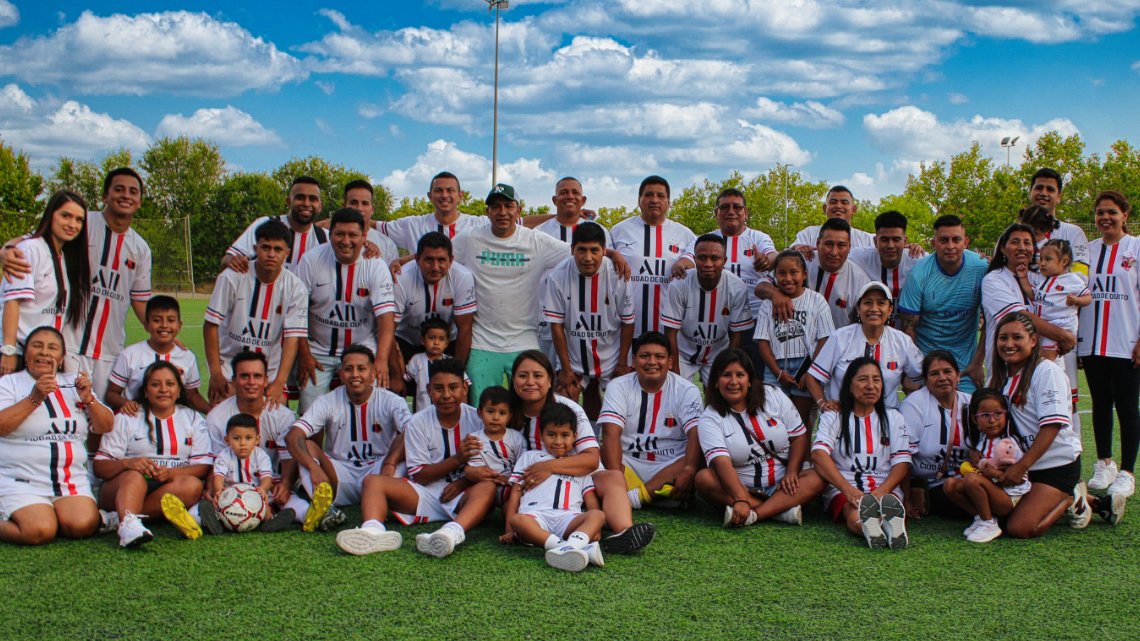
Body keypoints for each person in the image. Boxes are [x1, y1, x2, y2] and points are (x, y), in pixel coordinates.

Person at [453, 184, 615, 402]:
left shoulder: (535, 241)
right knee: (482, 411)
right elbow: (436, 253)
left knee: (532, 409)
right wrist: (401, 262)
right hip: (481, 342)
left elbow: (579, 250)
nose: (502, 212)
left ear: (518, 211)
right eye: (495, 207)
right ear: (487, 212)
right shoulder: (470, 238)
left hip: (524, 340)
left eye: (508, 206)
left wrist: (612, 254)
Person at [3, 168, 153, 402]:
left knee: (97, 416)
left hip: (109, 348)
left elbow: (140, 299)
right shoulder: (83, 222)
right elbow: (32, 238)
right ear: (105, 195)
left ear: (140, 201)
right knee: (54, 408)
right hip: (66, 344)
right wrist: (5, 250)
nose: (126, 195)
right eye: (119, 189)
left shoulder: (141, 248)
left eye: (133, 191)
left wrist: (161, 332)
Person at [335, 358, 497, 558]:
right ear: (428, 390)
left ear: (464, 388)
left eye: (453, 387)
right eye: (439, 388)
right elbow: (420, 476)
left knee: (488, 488)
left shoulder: (478, 419)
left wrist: (462, 483)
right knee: (373, 482)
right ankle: (373, 531)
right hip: (425, 493)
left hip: (464, 496)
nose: (446, 395)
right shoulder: (417, 422)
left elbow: (489, 470)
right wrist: (457, 459)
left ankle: (451, 533)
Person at [508, 350, 655, 553]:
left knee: (613, 477)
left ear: (550, 380)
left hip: (573, 476)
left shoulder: (569, 409)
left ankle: (624, 533)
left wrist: (549, 467)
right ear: (513, 380)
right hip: (527, 481)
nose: (530, 382)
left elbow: (591, 459)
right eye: (523, 376)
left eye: (538, 375)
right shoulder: (505, 409)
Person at [0, 326, 113, 545]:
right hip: (21, 479)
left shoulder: (73, 383)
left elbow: (106, 425)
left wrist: (89, 399)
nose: (44, 352)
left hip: (69, 480)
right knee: (39, 530)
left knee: (82, 524)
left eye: (52, 348)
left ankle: (52, 511)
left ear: (61, 358)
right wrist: (35, 397)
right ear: (26, 353)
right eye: (37, 346)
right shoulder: (9, 383)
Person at [987, 312, 1091, 537]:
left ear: (1033, 341)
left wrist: (1021, 467)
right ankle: (1096, 502)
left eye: (1017, 337)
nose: (1009, 344)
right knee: (995, 514)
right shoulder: (998, 376)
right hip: (1021, 466)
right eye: (1003, 338)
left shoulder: (1047, 372)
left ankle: (1070, 496)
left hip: (1054, 466)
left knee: (1019, 527)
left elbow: (1051, 427)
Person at [286, 345, 411, 532]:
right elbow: (293, 435)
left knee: (407, 441)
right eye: (348, 369)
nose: (355, 374)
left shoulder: (392, 401)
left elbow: (411, 433)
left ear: (373, 373)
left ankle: (387, 501)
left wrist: (390, 464)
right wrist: (313, 467)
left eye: (361, 369)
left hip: (379, 470)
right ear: (341, 373)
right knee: (309, 447)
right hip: (340, 472)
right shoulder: (327, 401)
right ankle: (326, 510)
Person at [695, 348, 826, 527]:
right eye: (726, 375)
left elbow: (799, 437)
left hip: (783, 485)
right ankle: (779, 510)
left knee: (819, 476)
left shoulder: (773, 395)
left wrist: (791, 472)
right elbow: (721, 462)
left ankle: (754, 514)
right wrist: (740, 497)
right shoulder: (709, 417)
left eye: (740, 375)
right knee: (704, 479)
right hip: (741, 487)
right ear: (716, 382)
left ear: (749, 380)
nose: (733, 382)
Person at [93, 361, 212, 548]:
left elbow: (204, 466)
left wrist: (170, 473)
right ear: (146, 391)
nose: (163, 389)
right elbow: (100, 467)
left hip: (167, 486)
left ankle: (121, 518)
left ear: (179, 391)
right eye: (155, 384)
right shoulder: (126, 417)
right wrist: (128, 464)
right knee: (134, 477)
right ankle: (128, 521)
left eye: (170, 384)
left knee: (193, 486)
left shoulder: (193, 418)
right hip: (122, 488)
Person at [294, 207, 396, 409]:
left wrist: (382, 359)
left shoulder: (376, 265)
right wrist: (304, 354)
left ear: (364, 236)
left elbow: (386, 318)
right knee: (310, 413)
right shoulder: (311, 260)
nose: (346, 241)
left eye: (353, 235)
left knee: (372, 409)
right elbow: (297, 312)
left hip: (362, 348)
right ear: (330, 234)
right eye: (339, 234)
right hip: (318, 350)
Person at [204, 219, 308, 405]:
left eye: (278, 249)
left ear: (287, 253)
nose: (271, 254)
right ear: (255, 248)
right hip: (229, 368)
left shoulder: (296, 288)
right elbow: (211, 325)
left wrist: (279, 382)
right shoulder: (231, 277)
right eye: (265, 247)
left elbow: (292, 338)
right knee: (221, 422)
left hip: (269, 372)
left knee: (276, 419)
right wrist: (216, 373)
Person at [811, 357, 912, 550]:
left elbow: (902, 464)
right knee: (853, 512)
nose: (871, 386)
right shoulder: (834, 416)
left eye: (876, 380)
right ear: (849, 385)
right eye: (863, 379)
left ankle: (883, 525)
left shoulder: (893, 417)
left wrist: (880, 492)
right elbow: (818, 455)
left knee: (888, 505)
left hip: (885, 487)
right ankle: (881, 527)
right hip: (845, 486)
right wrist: (848, 491)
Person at [671, 188, 776, 371]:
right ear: (716, 213)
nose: (731, 211)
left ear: (746, 212)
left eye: (737, 207)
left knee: (752, 376)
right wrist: (681, 265)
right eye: (724, 207)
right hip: (716, 321)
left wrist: (768, 261)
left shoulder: (758, 238)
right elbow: (688, 259)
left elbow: (774, 256)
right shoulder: (706, 239)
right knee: (716, 375)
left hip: (754, 321)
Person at [1078, 190, 1140, 498]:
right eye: (1100, 212)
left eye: (1112, 212)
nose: (1105, 217)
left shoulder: (1136, 247)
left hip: (1126, 343)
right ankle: (1104, 462)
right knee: (1101, 403)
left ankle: (1128, 472)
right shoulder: (1087, 251)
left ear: (1124, 215)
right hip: (1092, 343)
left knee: (1128, 408)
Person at [598, 332, 704, 510]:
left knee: (699, 457)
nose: (652, 362)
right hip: (628, 463)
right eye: (644, 356)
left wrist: (689, 470)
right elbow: (610, 434)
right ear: (633, 361)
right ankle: (653, 495)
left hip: (669, 465)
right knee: (592, 454)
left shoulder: (687, 390)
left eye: (659, 356)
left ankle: (633, 498)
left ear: (670, 362)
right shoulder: (618, 386)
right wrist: (616, 477)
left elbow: (695, 435)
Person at [542, 222, 634, 418]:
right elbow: (556, 325)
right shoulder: (558, 275)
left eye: (594, 250)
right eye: (581, 250)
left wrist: (622, 364)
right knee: (563, 406)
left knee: (620, 413)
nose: (588, 257)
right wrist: (566, 370)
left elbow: (628, 322)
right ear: (572, 250)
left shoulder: (617, 273)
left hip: (611, 357)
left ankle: (607, 444)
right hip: (575, 359)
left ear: (604, 251)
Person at [501, 403, 605, 572]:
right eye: (551, 435)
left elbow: (590, 499)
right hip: (535, 516)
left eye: (565, 435)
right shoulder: (530, 458)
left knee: (598, 515)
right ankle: (572, 547)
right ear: (541, 435)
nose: (558, 441)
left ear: (574, 436)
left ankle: (567, 547)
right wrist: (508, 529)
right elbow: (516, 492)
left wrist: (596, 528)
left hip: (568, 518)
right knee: (517, 520)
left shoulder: (579, 465)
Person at [204, 351, 304, 525]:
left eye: (257, 376)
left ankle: (315, 515)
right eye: (244, 376)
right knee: (210, 506)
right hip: (230, 489)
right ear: (233, 381)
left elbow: (289, 458)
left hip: (270, 486)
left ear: (266, 380)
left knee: (295, 503)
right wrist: (211, 487)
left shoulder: (282, 415)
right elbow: (216, 462)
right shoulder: (216, 417)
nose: (251, 382)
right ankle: (197, 520)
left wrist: (286, 484)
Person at [1, 191, 90, 377]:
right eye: (65, 216)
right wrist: (8, 350)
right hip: (15, 353)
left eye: (79, 220)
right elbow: (12, 302)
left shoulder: (64, 256)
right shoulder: (31, 249)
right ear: (51, 215)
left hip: (37, 356)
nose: (72, 224)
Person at [162, 413, 294, 538]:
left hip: (254, 496)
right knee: (202, 507)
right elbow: (218, 475)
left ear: (257, 439)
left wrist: (263, 489)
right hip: (228, 496)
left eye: (248, 438)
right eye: (236, 438)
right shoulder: (224, 455)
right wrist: (219, 490)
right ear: (227, 439)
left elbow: (266, 477)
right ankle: (200, 522)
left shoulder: (261, 456)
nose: (242, 443)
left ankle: (270, 522)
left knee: (265, 508)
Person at [898, 214, 988, 391]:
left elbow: (992, 321)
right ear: (934, 243)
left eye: (956, 240)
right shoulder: (919, 274)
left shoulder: (981, 268)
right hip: (928, 363)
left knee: (968, 416)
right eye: (944, 240)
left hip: (965, 366)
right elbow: (909, 327)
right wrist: (915, 371)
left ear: (966, 242)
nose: (950, 246)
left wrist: (978, 362)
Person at [806, 281, 923, 411]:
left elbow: (923, 376)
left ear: (890, 310)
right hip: (842, 416)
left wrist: (911, 404)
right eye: (868, 302)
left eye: (881, 303)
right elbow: (812, 377)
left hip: (887, 420)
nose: (874, 308)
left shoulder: (902, 341)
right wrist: (823, 404)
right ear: (858, 308)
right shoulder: (840, 337)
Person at [532, 177, 610, 366]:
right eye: (564, 192)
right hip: (547, 322)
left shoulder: (601, 231)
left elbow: (607, 265)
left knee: (588, 383)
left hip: (587, 325)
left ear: (583, 200)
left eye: (575, 193)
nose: (570, 196)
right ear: (554, 199)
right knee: (547, 378)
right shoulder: (538, 233)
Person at [981, 223, 1075, 374]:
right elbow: (1019, 317)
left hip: (1049, 366)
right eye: (1015, 242)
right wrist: (1064, 336)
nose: (1022, 247)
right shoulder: (993, 279)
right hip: (1008, 370)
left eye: (1027, 243)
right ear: (1003, 249)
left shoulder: (1043, 277)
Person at [754, 250, 833, 425]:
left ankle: (803, 454)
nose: (787, 278)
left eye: (794, 272)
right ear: (775, 275)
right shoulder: (768, 304)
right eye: (781, 273)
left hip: (806, 365)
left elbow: (825, 339)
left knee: (801, 420)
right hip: (775, 366)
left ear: (804, 275)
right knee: (772, 419)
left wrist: (811, 371)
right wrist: (777, 372)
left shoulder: (816, 300)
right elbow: (763, 342)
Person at [941, 389, 1031, 543]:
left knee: (971, 479)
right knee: (950, 485)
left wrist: (989, 472)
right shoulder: (981, 440)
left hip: (1009, 499)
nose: (992, 420)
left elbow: (1017, 479)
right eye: (985, 415)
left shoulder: (1008, 444)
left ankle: (989, 523)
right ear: (975, 420)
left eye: (998, 413)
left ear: (1005, 414)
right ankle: (980, 518)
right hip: (991, 492)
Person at [610, 175, 696, 336]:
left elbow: (695, 266)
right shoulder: (619, 231)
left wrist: (685, 263)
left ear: (669, 202)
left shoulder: (686, 234)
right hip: (625, 329)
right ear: (639, 200)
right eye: (648, 195)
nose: (654, 200)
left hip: (669, 330)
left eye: (660, 196)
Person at [662, 234, 754, 383]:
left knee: (720, 398)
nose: (708, 264)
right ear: (695, 259)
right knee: (676, 394)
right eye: (702, 258)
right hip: (683, 353)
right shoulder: (679, 284)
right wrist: (675, 369)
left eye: (715, 258)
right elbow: (670, 331)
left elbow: (737, 334)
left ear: (724, 261)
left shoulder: (737, 287)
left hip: (718, 352)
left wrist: (727, 365)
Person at [390, 231, 476, 377]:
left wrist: (457, 372)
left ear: (451, 260)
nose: (435, 267)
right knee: (396, 389)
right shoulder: (401, 278)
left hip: (446, 342)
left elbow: (465, 330)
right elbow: (388, 330)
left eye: (441, 260)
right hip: (407, 340)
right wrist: (395, 375)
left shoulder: (463, 277)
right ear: (417, 259)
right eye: (429, 260)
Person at [105, 295, 210, 415]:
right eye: (157, 320)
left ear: (179, 326)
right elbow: (111, 394)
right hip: (138, 418)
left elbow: (192, 396)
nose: (164, 325)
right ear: (146, 325)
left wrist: (211, 412)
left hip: (172, 421)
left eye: (170, 320)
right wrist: (126, 403)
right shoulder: (130, 354)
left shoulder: (187, 357)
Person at [899, 350, 972, 519]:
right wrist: (907, 499)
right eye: (934, 374)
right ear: (925, 380)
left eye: (947, 371)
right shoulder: (914, 405)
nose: (942, 378)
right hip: (933, 483)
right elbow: (903, 457)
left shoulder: (971, 402)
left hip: (969, 478)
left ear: (958, 376)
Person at [761, 218, 870, 331]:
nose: (834, 252)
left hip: (838, 345)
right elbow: (761, 285)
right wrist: (775, 294)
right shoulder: (802, 261)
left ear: (849, 248)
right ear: (818, 243)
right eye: (829, 244)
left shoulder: (860, 280)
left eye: (841, 245)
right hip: (797, 342)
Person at [223, 176, 326, 273]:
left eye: (312, 199)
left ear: (320, 206)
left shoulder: (326, 238)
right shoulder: (264, 224)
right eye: (300, 197)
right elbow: (227, 259)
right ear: (288, 202)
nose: (306, 204)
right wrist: (234, 262)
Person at [847, 211, 924, 327]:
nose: (890, 245)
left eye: (896, 239)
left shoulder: (919, 260)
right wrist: (809, 250)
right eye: (884, 239)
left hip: (907, 335)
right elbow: (834, 254)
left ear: (905, 241)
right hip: (871, 334)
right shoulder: (860, 257)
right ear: (875, 241)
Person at [1031, 239, 1090, 361]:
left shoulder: (1072, 280)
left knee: (1046, 360)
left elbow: (1088, 298)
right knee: (1037, 355)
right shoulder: (1041, 278)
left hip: (1060, 325)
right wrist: (1022, 278)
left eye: (1048, 259)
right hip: (1044, 325)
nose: (1042, 263)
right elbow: (1031, 294)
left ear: (1064, 261)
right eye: (1040, 259)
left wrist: (1077, 301)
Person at [465, 386, 525, 506]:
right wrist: (495, 478)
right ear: (480, 413)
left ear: (510, 416)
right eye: (490, 411)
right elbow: (477, 470)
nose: (496, 418)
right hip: (484, 487)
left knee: (520, 494)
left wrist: (511, 480)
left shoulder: (517, 438)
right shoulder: (474, 439)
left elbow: (522, 464)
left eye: (502, 413)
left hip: (510, 486)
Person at [1025, 168, 1089, 276]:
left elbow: (1080, 276)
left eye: (1050, 189)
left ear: (1059, 197)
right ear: (1030, 192)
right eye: (1039, 188)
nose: (1043, 193)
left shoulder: (1074, 233)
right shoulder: (1015, 233)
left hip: (1061, 292)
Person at [404, 318, 469, 412]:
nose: (436, 343)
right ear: (423, 340)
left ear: (447, 343)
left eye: (441, 339)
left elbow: (463, 389)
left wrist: (463, 412)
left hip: (447, 412)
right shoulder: (416, 360)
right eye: (431, 338)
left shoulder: (452, 362)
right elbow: (406, 383)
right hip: (423, 414)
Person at [791, 185, 875, 254]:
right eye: (833, 202)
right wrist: (795, 248)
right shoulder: (808, 234)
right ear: (825, 208)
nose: (838, 206)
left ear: (853, 209)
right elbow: (788, 256)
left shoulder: (868, 240)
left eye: (844, 202)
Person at [343, 179, 400, 264]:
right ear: (344, 206)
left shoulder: (388, 245)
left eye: (365, 203)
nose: (359, 208)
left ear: (372, 209)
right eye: (353, 203)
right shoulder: (330, 239)